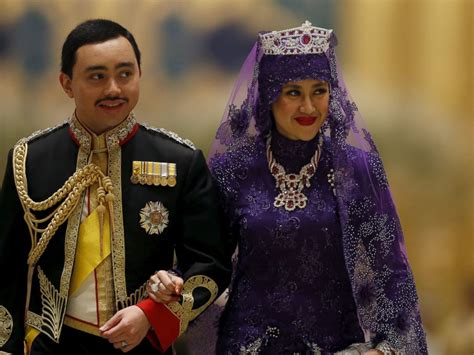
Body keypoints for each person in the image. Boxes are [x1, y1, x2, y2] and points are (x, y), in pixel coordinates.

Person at [0, 19, 230, 354]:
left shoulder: (180, 161)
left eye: (125, 74)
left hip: (140, 345)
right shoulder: (29, 159)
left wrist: (152, 315)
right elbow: (7, 268)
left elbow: (211, 265)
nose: (114, 88)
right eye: (97, 76)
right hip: (47, 345)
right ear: (66, 83)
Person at [197, 21, 427, 354]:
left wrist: (386, 348)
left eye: (319, 90)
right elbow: (207, 261)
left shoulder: (356, 167)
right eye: (293, 93)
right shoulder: (233, 170)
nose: (308, 107)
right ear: (270, 95)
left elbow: (391, 270)